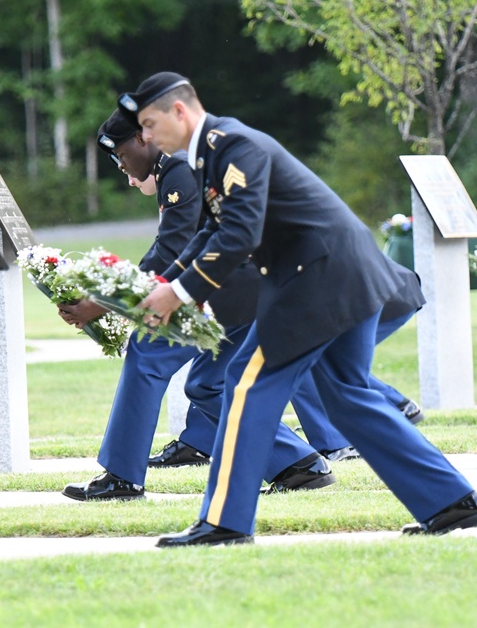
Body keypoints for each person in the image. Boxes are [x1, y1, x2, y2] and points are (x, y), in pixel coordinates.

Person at [120, 72, 477, 546]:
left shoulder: (231, 145)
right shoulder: (213, 155)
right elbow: (212, 235)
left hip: (315, 278)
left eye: (149, 124)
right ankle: (453, 502)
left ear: (180, 111)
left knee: (245, 385)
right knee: (348, 397)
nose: (146, 138)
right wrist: (169, 283)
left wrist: (180, 293)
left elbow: (240, 235)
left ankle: (224, 522)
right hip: (340, 274)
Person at [59, 109, 341, 501]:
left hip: (233, 286)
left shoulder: (175, 168)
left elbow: (170, 252)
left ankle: (121, 477)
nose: (120, 166)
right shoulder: (179, 166)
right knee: (208, 385)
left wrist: (105, 302)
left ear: (143, 139)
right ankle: (299, 465)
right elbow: (180, 248)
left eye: (120, 154)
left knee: (146, 353)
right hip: (251, 287)